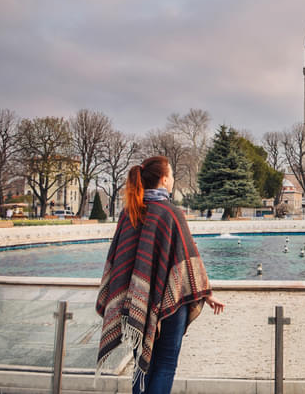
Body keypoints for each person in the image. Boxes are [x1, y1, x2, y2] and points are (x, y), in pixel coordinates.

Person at [96, 156, 224, 394]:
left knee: (142, 365)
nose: (173, 179)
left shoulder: (129, 213)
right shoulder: (170, 213)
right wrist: (206, 294)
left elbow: (117, 261)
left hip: (136, 303)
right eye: (172, 175)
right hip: (171, 303)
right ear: (164, 180)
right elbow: (188, 262)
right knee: (165, 364)